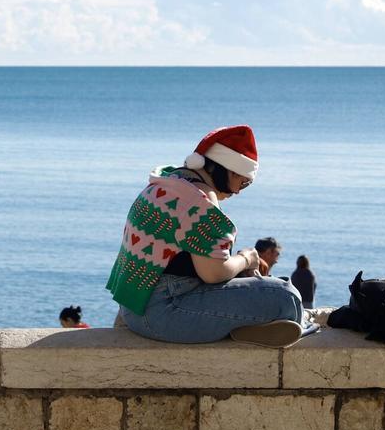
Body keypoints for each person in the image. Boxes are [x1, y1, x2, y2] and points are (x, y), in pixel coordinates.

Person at [106, 125, 313, 348]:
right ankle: (255, 326)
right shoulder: (201, 202)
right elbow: (214, 274)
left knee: (267, 285)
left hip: (133, 311)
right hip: (165, 315)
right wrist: (247, 258)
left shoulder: (164, 186)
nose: (240, 191)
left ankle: (248, 327)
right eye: (244, 182)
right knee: (286, 295)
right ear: (228, 169)